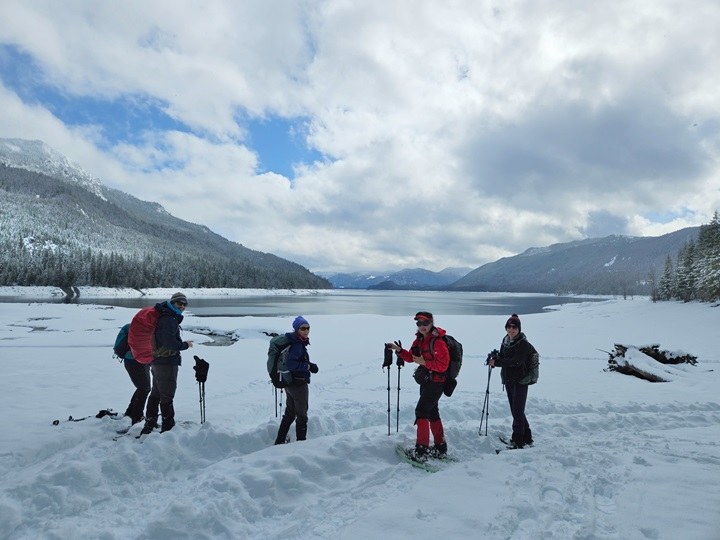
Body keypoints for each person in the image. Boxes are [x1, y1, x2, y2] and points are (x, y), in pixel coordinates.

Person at [388, 311, 450, 461]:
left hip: (437, 383)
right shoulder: (420, 340)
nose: (422, 326)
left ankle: (421, 451)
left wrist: (425, 363)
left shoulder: (438, 342)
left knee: (421, 412)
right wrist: (399, 350)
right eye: (419, 323)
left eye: (425, 323)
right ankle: (440, 447)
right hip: (427, 381)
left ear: (431, 323)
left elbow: (443, 366)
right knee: (432, 412)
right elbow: (411, 358)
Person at [140, 292, 193, 435]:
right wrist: (185, 345)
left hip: (157, 361)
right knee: (167, 394)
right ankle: (168, 427)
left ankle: (150, 423)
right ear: (173, 303)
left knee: (156, 392)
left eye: (184, 304)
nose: (182, 306)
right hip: (166, 362)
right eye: (179, 303)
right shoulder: (169, 319)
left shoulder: (165, 316)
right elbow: (170, 343)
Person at [488, 313, 536, 448]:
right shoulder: (506, 341)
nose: (511, 330)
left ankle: (518, 441)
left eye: (514, 328)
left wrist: (497, 362)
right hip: (509, 380)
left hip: (521, 380)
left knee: (517, 411)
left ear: (519, 329)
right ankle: (527, 437)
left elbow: (516, 362)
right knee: (516, 410)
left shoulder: (523, 344)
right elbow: (505, 358)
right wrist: (494, 357)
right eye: (509, 327)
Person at [274, 316, 318, 445]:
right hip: (298, 384)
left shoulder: (295, 341)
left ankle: (280, 440)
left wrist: (308, 364)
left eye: (308, 328)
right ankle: (301, 444)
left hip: (290, 383)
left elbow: (296, 361)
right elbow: (292, 364)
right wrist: (308, 366)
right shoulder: (297, 344)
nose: (306, 331)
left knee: (290, 414)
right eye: (303, 328)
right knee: (302, 416)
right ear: (297, 329)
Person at [115, 323, 150, 425]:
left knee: (143, 387)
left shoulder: (134, 326)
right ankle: (136, 416)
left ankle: (131, 412)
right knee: (144, 388)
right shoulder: (140, 327)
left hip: (134, 360)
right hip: (135, 360)